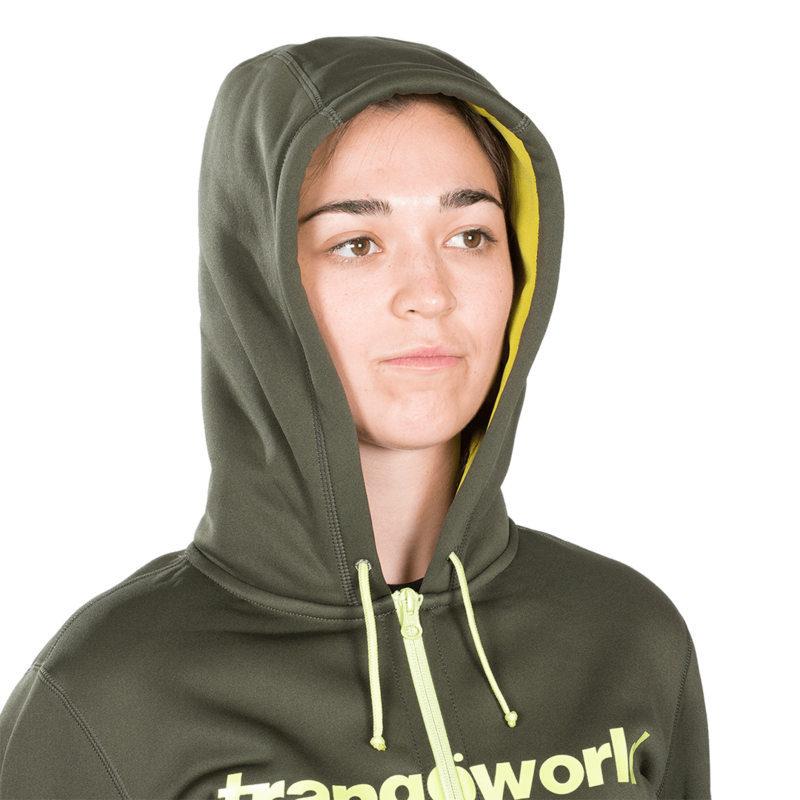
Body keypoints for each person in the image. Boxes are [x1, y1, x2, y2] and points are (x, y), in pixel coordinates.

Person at [0, 37, 710, 799]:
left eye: (470, 235)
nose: (429, 293)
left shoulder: (627, 636)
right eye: (357, 243)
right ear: (259, 283)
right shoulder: (110, 695)